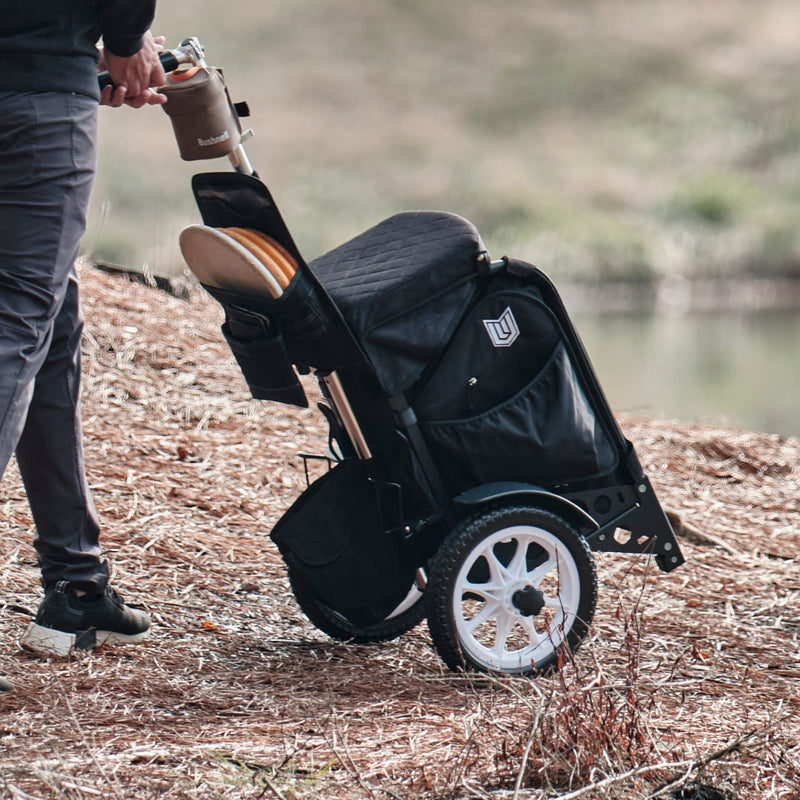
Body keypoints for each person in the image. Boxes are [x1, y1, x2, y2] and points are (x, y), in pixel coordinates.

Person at [0, 1, 168, 690]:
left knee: (51, 320)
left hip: (42, 63)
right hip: (38, 100)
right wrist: (123, 39)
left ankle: (76, 585)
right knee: (19, 319)